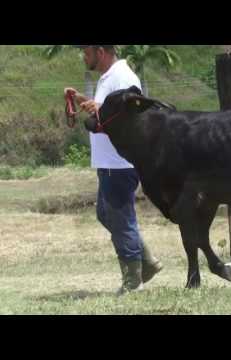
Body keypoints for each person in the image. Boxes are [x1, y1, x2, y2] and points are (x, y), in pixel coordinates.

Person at [64, 45, 163, 295]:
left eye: (87, 53)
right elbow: (106, 110)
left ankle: (133, 282)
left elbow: (134, 117)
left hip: (119, 164)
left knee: (122, 220)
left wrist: (98, 108)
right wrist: (80, 100)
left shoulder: (124, 77)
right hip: (108, 164)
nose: (84, 57)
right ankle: (147, 263)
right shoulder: (108, 77)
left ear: (101, 51)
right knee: (106, 215)